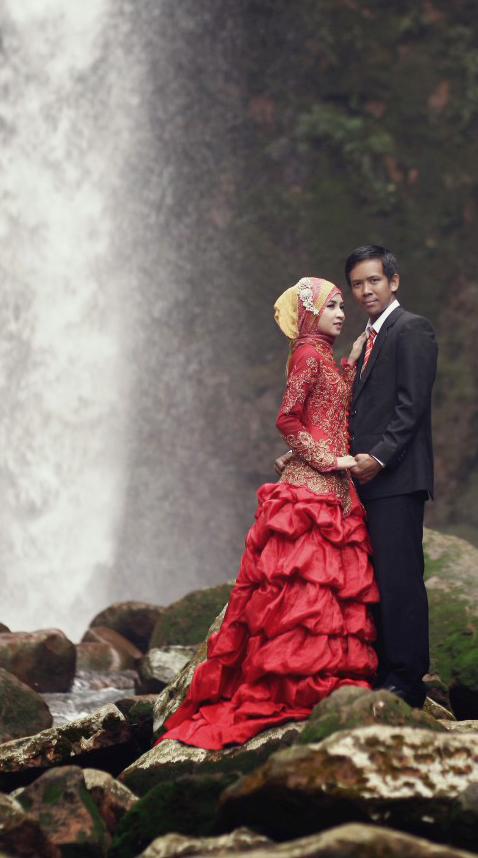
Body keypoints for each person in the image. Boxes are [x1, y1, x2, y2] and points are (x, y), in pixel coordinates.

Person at [159, 276, 380, 749]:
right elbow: (288, 418)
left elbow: (330, 403)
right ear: (309, 313)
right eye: (332, 306)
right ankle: (299, 684)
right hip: (312, 489)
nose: (342, 313)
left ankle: (325, 684)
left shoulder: (320, 355)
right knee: (305, 593)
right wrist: (327, 460)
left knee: (325, 591)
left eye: (343, 306)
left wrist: (355, 357)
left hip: (333, 491)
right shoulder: (304, 354)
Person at [342, 244, 439, 708]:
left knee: (401, 578)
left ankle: (407, 679)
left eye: (373, 281)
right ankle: (384, 670)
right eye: (357, 284)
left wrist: (377, 459)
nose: (365, 291)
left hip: (396, 478)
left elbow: (411, 407)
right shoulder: (367, 340)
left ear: (394, 282)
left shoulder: (411, 329)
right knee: (378, 577)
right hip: (367, 480)